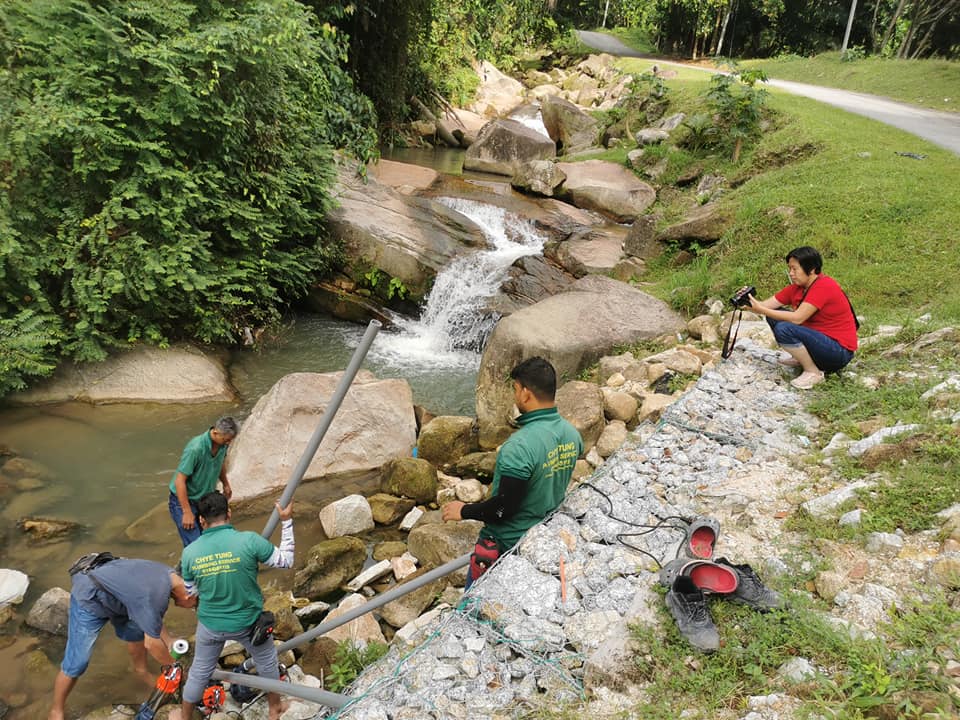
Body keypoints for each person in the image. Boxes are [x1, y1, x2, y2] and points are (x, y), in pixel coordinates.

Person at [441, 357, 583, 586]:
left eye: (515, 389)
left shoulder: (519, 446)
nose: (515, 396)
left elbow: (503, 509)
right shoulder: (572, 434)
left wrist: (463, 510)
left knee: (474, 601)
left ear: (526, 394)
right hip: (543, 533)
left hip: (505, 545)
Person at [174, 491, 294, 720]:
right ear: (229, 513)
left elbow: (191, 593)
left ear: (201, 520)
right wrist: (286, 521)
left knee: (199, 672)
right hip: (248, 623)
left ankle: (185, 716)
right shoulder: (249, 540)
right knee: (267, 662)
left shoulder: (189, 553)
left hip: (211, 625)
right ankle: (275, 709)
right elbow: (286, 561)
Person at [48, 559, 197, 720]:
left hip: (119, 598)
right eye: (196, 605)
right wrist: (176, 669)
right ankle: (56, 709)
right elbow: (152, 644)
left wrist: (168, 640)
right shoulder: (155, 594)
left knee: (136, 631)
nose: (190, 608)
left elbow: (151, 617)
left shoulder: (170, 577)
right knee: (77, 663)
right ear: (189, 596)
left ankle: (140, 671)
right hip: (90, 596)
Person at [747, 246, 858, 390]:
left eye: (795, 269)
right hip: (819, 342)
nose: (791, 273)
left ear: (811, 269)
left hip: (838, 352)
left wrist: (761, 309)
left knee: (784, 328)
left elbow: (797, 318)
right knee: (774, 316)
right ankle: (801, 358)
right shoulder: (797, 288)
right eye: (790, 269)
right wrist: (747, 302)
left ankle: (813, 372)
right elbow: (765, 306)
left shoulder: (824, 286)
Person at [169, 416, 239, 547]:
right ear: (216, 432)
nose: (228, 443)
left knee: (211, 538)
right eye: (226, 440)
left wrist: (226, 484)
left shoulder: (222, 445)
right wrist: (187, 512)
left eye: (230, 440)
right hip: (184, 501)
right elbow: (179, 481)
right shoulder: (195, 449)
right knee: (195, 545)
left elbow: (220, 463)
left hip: (204, 499)